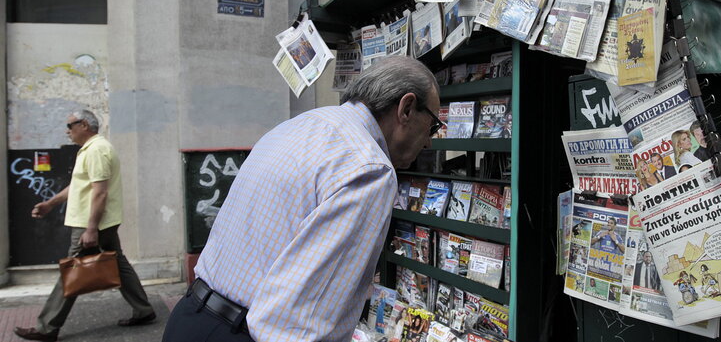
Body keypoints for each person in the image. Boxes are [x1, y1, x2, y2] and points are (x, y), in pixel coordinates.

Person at [162, 56, 441, 342]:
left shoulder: (300, 125)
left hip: (190, 315)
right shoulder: (371, 169)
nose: (430, 141)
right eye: (432, 126)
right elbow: (300, 325)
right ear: (406, 108)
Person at [14, 110, 156, 342]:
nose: (67, 130)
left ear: (85, 125)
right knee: (118, 263)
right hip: (102, 222)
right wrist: (50, 204)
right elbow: (79, 186)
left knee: (71, 271)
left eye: (70, 125)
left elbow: (100, 192)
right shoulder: (91, 149)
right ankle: (144, 309)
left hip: (92, 223)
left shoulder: (97, 150)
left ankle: (47, 327)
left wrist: (91, 229)